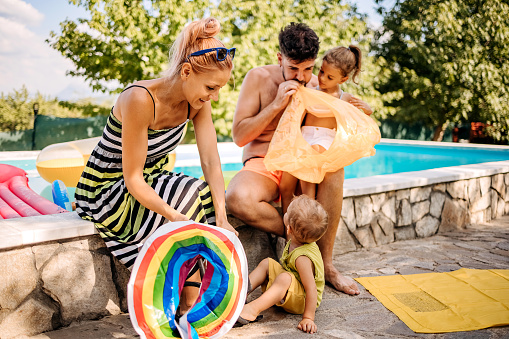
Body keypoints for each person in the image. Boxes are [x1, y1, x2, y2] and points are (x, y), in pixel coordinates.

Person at [75, 18, 238, 311]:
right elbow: (133, 178)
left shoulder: (197, 101)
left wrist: (223, 217)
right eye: (212, 87)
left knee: (206, 194)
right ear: (186, 71)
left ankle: (193, 298)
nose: (215, 96)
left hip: (149, 181)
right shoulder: (139, 99)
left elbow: (211, 161)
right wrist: (173, 215)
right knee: (187, 197)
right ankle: (187, 305)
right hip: (109, 189)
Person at [225, 22, 361, 295]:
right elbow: (239, 136)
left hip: (300, 161)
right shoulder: (258, 77)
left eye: (309, 68)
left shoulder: (319, 83)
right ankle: (301, 236)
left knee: (334, 168)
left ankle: (327, 264)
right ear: (280, 59)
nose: (302, 77)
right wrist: (276, 104)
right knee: (237, 197)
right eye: (293, 69)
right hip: (264, 161)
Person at [279, 45, 373, 212]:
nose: (321, 79)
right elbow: (296, 118)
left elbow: (359, 120)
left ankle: (309, 226)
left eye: (329, 77)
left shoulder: (345, 98)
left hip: (324, 140)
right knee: (285, 186)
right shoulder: (310, 92)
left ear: (342, 80)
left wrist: (367, 110)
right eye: (321, 71)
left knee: (308, 179)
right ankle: (288, 231)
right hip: (303, 137)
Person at [236, 195, 328, 334]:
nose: (284, 213)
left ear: (289, 228)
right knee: (267, 263)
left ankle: (252, 310)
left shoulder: (302, 258)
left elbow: (311, 289)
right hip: (294, 288)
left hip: (302, 301)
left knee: (285, 278)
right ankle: (239, 293)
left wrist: (308, 317)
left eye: (287, 213)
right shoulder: (298, 240)